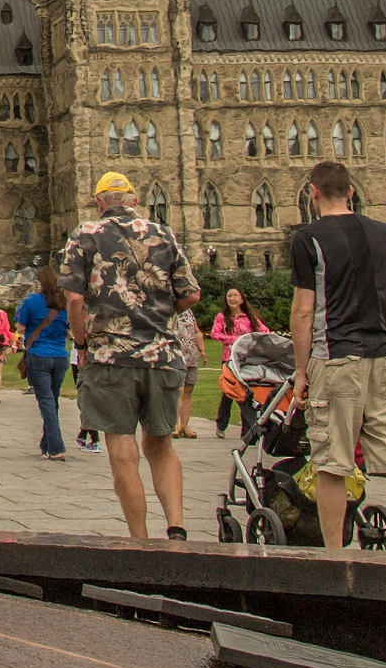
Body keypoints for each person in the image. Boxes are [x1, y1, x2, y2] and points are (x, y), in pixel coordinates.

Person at [288, 160, 386, 552]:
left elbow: (304, 312)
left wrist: (301, 372)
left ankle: (334, 554)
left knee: (331, 461)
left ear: (313, 192)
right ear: (352, 191)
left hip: (337, 358)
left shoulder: (307, 239)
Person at [61, 172, 198, 534]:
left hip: (111, 357)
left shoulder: (86, 235)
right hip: (163, 357)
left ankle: (140, 538)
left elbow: (74, 299)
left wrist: (82, 344)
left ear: (100, 202)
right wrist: (157, 316)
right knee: (162, 447)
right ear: (134, 200)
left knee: (123, 451)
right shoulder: (164, 234)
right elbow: (191, 294)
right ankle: (177, 528)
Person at [13, 265, 71, 460]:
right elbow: (70, 330)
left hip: (39, 355)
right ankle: (45, 443)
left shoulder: (32, 301)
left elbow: (20, 328)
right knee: (52, 401)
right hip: (60, 355)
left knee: (46, 402)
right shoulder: (63, 303)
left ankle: (56, 447)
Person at [209, 287, 269, 437]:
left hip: (246, 359)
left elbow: (265, 331)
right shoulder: (222, 317)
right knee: (228, 392)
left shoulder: (249, 317)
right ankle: (221, 424)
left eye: (235, 296)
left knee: (246, 393)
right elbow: (215, 334)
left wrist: (249, 341)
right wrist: (233, 340)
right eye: (229, 296)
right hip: (229, 359)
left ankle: (247, 429)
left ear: (242, 299)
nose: (232, 299)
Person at [170, 306, 204, 438]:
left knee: (189, 390)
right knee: (179, 390)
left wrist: (202, 350)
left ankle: (185, 425)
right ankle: (174, 424)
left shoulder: (189, 311)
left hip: (191, 356)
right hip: (176, 355)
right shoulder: (169, 309)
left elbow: (197, 332)